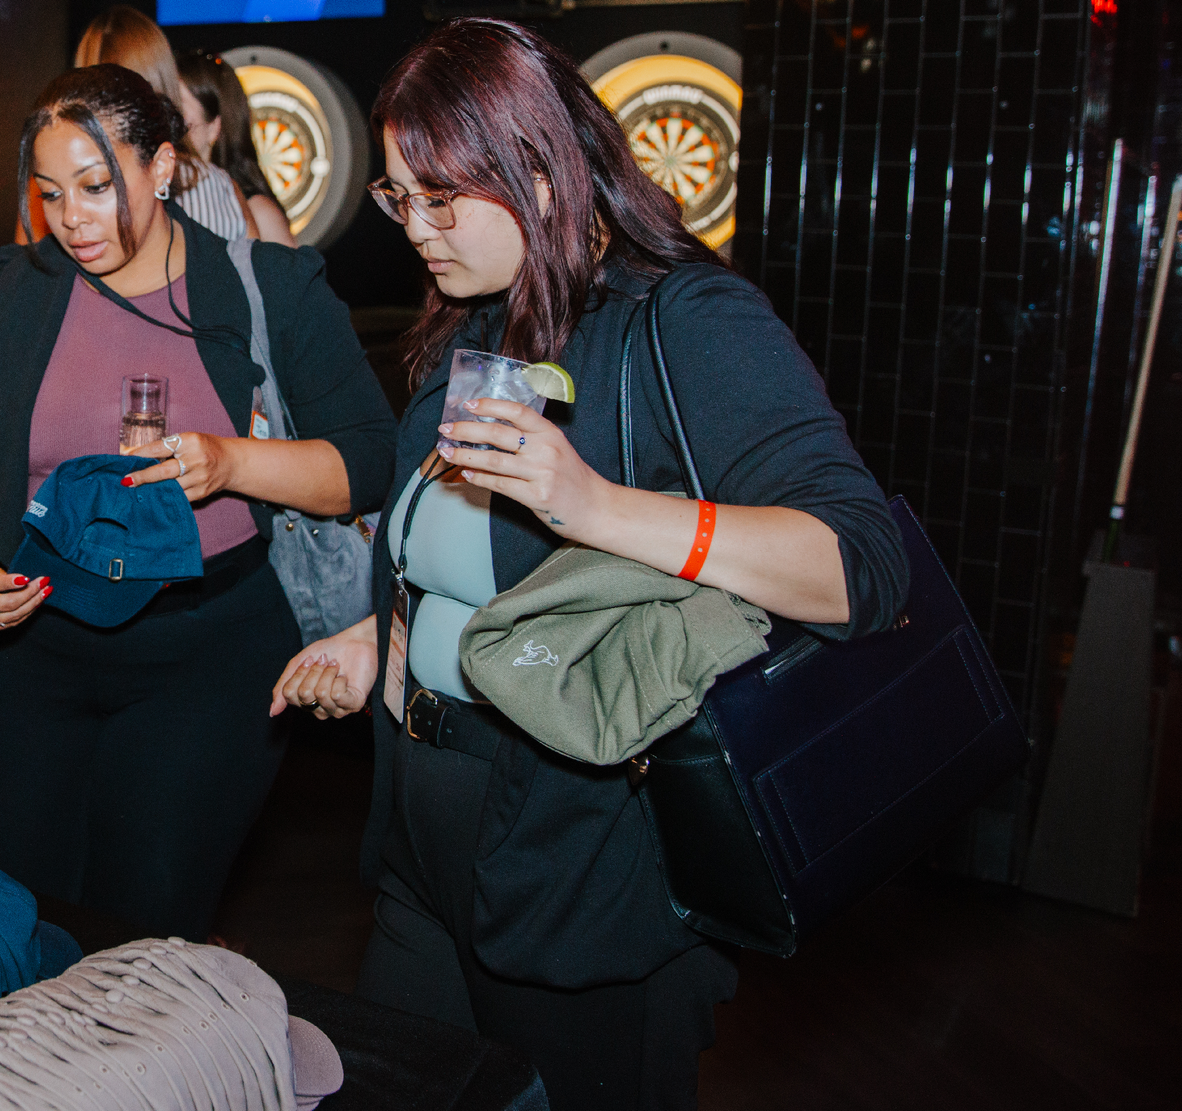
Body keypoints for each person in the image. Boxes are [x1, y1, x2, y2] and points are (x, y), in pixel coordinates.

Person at [266, 19, 908, 1109]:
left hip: (586, 848)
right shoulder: (481, 317)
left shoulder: (686, 317)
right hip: (426, 833)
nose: (414, 228)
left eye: (439, 196)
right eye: (395, 197)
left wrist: (596, 506)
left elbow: (860, 565)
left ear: (542, 173)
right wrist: (380, 638)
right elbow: (462, 559)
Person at [0, 64, 394, 939]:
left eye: (97, 187)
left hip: (207, 658)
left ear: (164, 167)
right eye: (51, 193)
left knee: (138, 942)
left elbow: (368, 462)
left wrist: (231, 461)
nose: (72, 220)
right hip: (31, 646)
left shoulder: (266, 288)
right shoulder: (7, 289)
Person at [71, 5, 254, 245]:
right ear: (165, 78)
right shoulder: (221, 187)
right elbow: (256, 278)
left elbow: (28, 277)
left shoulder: (63, 183)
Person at [178, 50, 296, 248]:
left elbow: (291, 278)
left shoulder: (257, 211)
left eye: (183, 124)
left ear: (215, 127)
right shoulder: (160, 200)